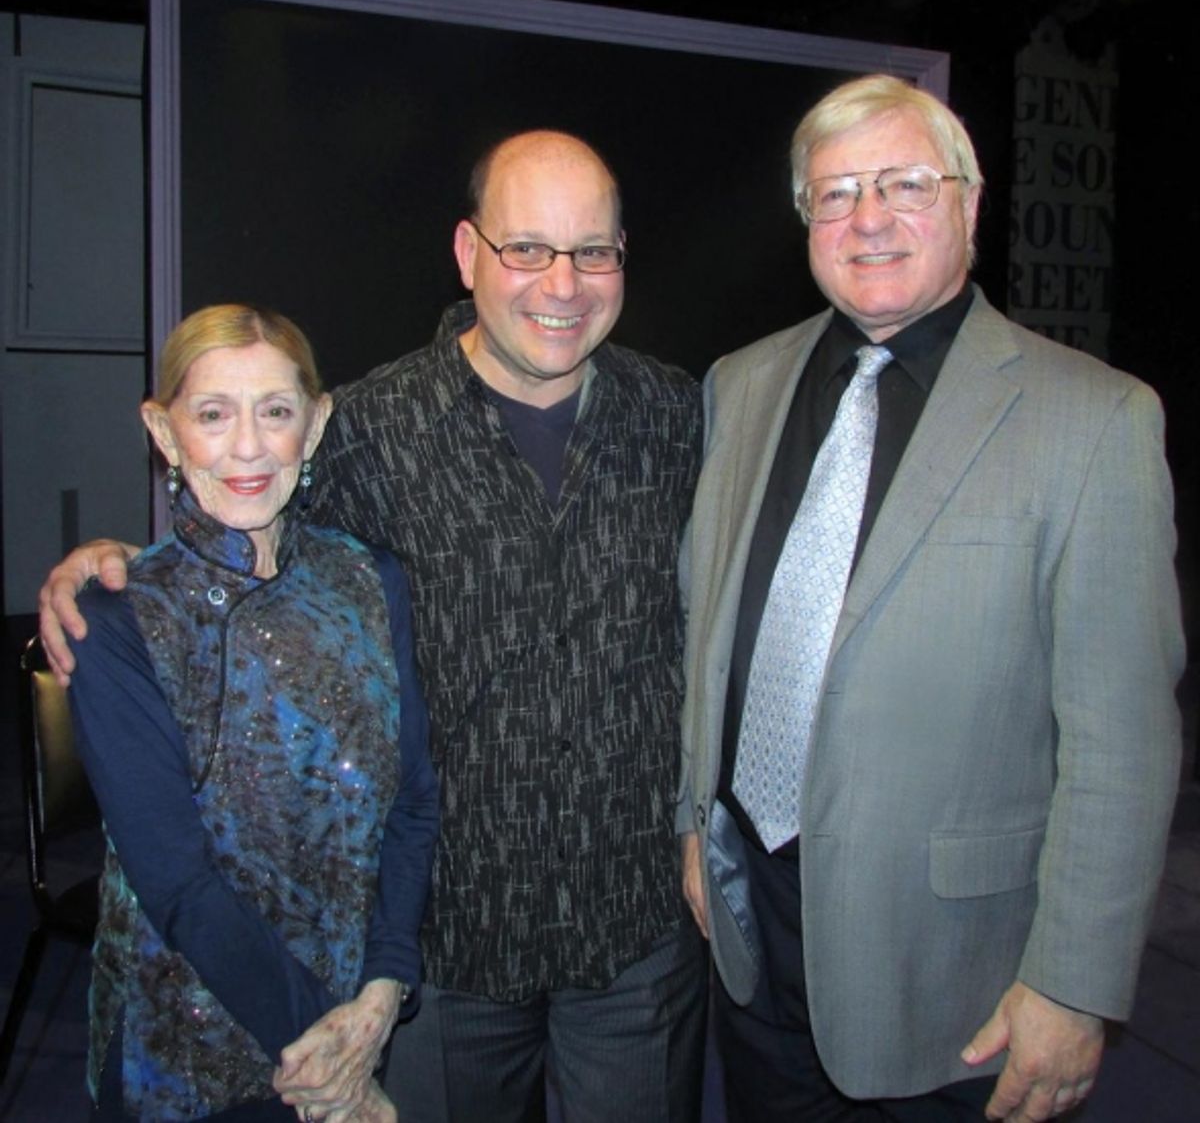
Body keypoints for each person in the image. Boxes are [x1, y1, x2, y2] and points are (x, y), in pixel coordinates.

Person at [42, 132, 707, 1123]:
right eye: (526, 248)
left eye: (593, 251)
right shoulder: (367, 425)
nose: (560, 284)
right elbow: (238, 527)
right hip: (440, 950)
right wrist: (103, 567)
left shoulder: (682, 415)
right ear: (468, 252)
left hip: (635, 930)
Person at [677, 75, 1184, 1122]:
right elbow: (706, 630)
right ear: (806, 219)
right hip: (753, 939)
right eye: (836, 191)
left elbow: (1123, 741)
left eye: (905, 182)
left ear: (969, 201)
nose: (868, 217)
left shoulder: (1096, 421)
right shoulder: (740, 384)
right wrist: (693, 817)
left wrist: (1074, 984)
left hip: (956, 983)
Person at [64, 304, 439, 1121]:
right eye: (212, 414)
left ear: (315, 425)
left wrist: (381, 993)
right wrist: (336, 1064)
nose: (246, 446)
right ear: (164, 434)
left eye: (275, 411)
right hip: (191, 1052)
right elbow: (181, 885)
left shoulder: (370, 580)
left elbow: (414, 804)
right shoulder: (119, 622)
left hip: (356, 1014)